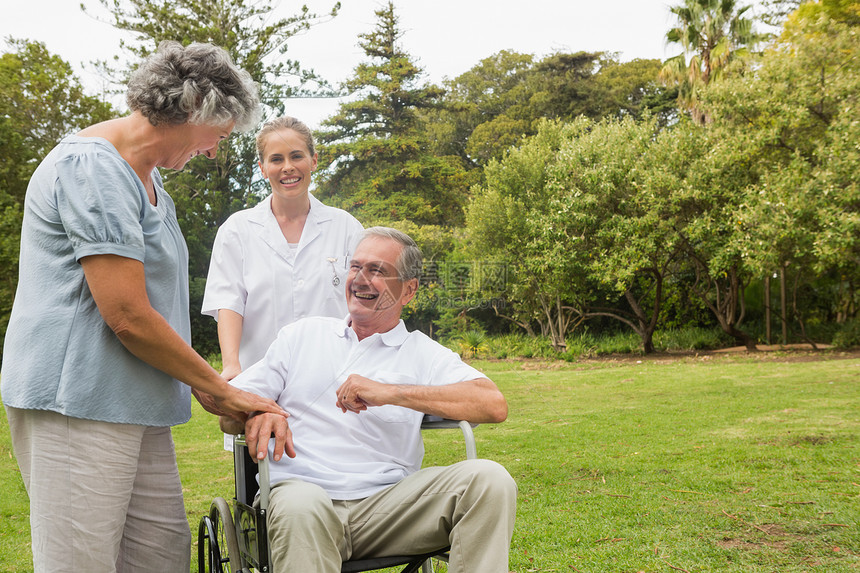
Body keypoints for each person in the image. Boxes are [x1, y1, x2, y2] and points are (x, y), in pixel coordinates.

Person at [1, 41, 288, 573]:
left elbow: (155, 304)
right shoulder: (91, 168)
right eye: (218, 136)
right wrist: (218, 387)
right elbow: (129, 316)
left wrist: (202, 384)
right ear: (196, 109)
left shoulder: (150, 179)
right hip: (78, 402)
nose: (212, 151)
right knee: (79, 563)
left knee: (160, 556)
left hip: (138, 401)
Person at [220, 227, 517, 572]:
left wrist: (393, 392)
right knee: (301, 504)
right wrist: (255, 411)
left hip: (389, 509)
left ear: (409, 290)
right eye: (355, 267)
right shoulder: (301, 336)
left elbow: (493, 404)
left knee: (490, 481)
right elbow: (227, 410)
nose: (360, 280)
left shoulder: (423, 353)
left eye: (376, 271)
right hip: (304, 499)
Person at [202, 116, 363, 382]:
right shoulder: (237, 230)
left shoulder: (346, 227)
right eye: (276, 159)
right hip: (260, 377)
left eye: (296, 156)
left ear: (313, 160)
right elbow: (228, 303)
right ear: (263, 168)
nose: (287, 167)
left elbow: (364, 302)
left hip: (333, 379)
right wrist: (232, 365)